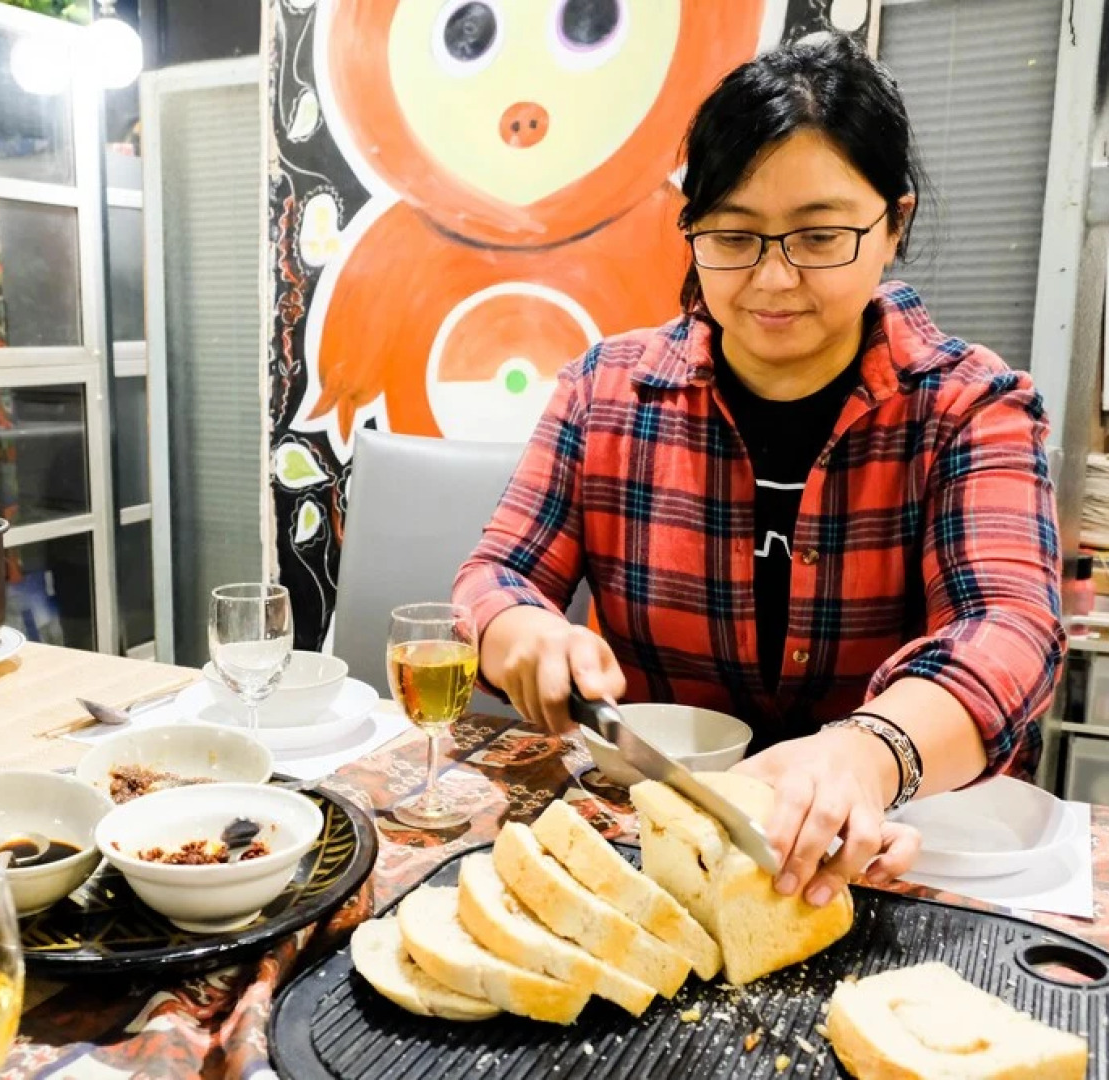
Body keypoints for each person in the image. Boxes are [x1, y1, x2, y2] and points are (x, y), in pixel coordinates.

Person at [453, 34, 1063, 911]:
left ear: (894, 222)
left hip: (886, 859)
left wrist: (865, 754)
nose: (773, 278)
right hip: (660, 851)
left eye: (819, 235)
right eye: (733, 235)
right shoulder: (606, 391)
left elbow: (1009, 631)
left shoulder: (968, 405)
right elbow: (495, 574)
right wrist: (519, 630)